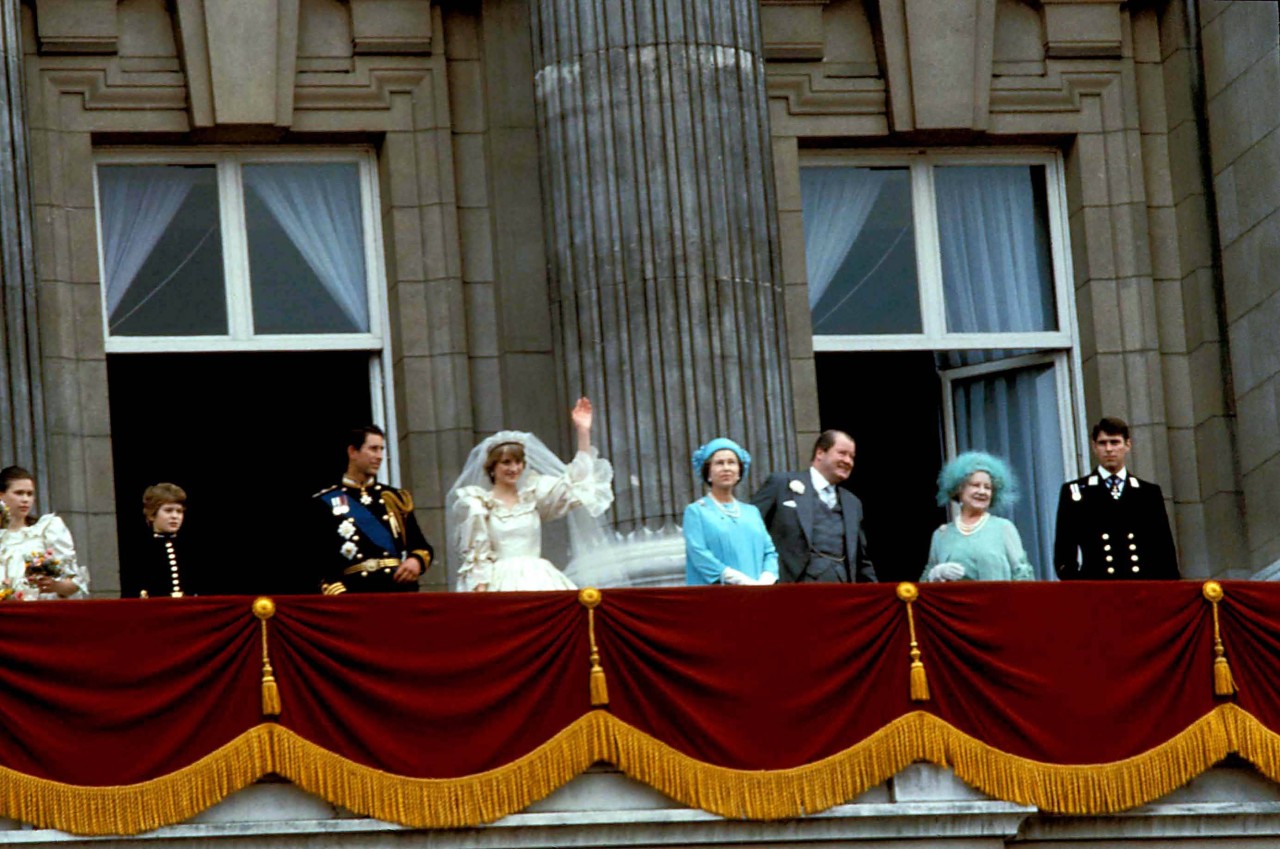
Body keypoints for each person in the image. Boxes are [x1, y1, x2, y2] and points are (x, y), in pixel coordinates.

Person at [449, 397, 614, 592]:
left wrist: (583, 432)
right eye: (507, 462)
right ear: (492, 468)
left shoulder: (532, 494)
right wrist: (482, 595)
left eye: (518, 462)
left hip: (539, 578)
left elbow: (575, 481)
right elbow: (478, 558)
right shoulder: (479, 504)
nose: (514, 468)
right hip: (500, 582)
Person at [311, 426, 434, 594]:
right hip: (355, 595)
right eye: (373, 449)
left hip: (398, 591)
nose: (379, 456)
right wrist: (336, 591)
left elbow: (421, 546)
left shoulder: (394, 498)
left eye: (381, 449)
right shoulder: (325, 502)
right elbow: (317, 559)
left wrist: (415, 561)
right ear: (353, 452)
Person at [1054, 416, 1179, 580]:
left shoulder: (1148, 493)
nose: (1109, 449)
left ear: (1128, 445)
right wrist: (1081, 591)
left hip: (1140, 591)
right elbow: (1064, 554)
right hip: (1098, 592)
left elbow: (1164, 552)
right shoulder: (1076, 492)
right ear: (1094, 446)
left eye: (1115, 442)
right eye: (1102, 443)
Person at [751, 430, 876, 583]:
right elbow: (750, 530)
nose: (848, 461)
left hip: (840, 591)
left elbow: (861, 559)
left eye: (852, 457)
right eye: (842, 453)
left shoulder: (853, 503)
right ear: (820, 453)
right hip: (791, 590)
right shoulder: (781, 484)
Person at [920, 452, 1033, 582]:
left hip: (997, 601)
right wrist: (935, 575)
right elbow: (922, 589)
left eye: (988, 487)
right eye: (975, 485)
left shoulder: (1003, 528)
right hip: (955, 602)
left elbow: (1023, 575)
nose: (982, 491)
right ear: (959, 489)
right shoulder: (941, 535)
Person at [684, 438, 778, 586]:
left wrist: (767, 578)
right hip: (719, 595)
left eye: (731, 462)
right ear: (708, 473)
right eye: (719, 463)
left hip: (757, 594)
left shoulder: (752, 512)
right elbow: (699, 554)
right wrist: (735, 578)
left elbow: (769, 552)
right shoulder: (696, 512)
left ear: (739, 472)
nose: (726, 468)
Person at [0, 466, 89, 600]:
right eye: (19, 493)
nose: (25, 499)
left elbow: (73, 582)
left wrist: (56, 586)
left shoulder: (48, 529)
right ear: (1, 495)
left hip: (41, 610)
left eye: (30, 494)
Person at [126, 483, 201, 598]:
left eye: (179, 511)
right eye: (168, 510)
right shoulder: (139, 551)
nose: (175, 516)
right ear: (152, 514)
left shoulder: (192, 549)